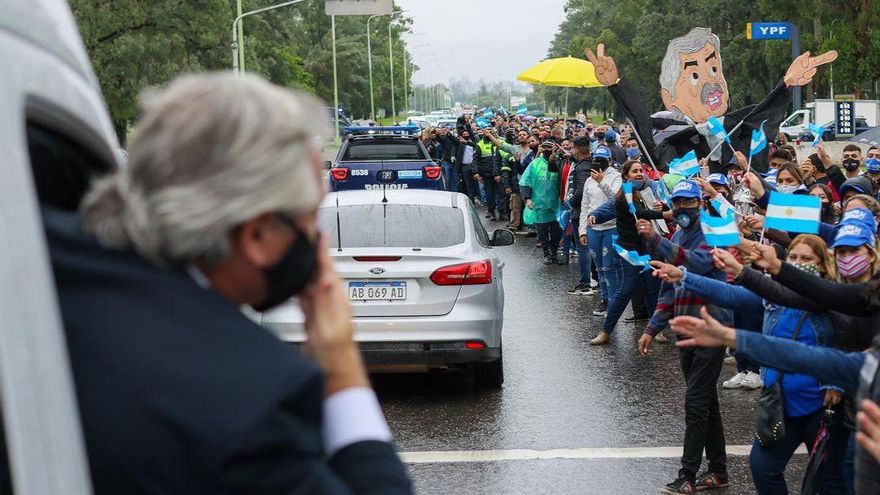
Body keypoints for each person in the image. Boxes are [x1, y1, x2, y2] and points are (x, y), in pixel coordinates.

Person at [52, 74, 412, 494]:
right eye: (310, 219)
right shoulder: (253, 395)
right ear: (256, 236)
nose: (319, 241)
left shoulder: (35, 251)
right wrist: (342, 369)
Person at [653, 236, 848, 494]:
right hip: (780, 404)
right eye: (793, 257)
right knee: (763, 469)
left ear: (822, 265)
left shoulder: (832, 298)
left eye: (807, 259)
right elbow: (730, 294)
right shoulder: (774, 296)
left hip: (820, 406)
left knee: (829, 481)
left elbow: (847, 343)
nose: (799, 263)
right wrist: (684, 276)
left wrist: (836, 383)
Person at [633, 180, 732, 494]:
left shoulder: (712, 232)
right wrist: (652, 328)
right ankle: (718, 471)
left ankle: (686, 475)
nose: (682, 208)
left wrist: (656, 241)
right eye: (677, 203)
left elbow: (697, 264)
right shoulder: (677, 235)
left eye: (688, 202)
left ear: (700, 203)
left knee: (696, 402)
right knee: (706, 402)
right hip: (684, 330)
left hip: (711, 328)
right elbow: (669, 289)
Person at [587, 160, 671, 344]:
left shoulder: (649, 189)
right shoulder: (624, 194)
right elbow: (634, 211)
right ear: (626, 176)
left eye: (641, 170)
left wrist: (662, 208)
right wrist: (595, 214)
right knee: (625, 290)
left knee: (652, 289)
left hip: (648, 248)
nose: (639, 173)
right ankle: (606, 331)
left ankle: (656, 330)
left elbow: (663, 204)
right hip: (629, 251)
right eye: (634, 171)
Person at [578, 146, 622, 310]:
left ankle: (613, 301)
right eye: (596, 159)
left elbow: (616, 200)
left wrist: (601, 182)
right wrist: (582, 231)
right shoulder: (589, 180)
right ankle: (605, 299)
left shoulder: (616, 177)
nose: (598, 162)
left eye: (602, 160)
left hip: (611, 227)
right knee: (599, 267)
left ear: (609, 161)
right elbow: (585, 207)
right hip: (593, 229)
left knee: (610, 266)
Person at [520, 141, 562, 264]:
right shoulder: (535, 164)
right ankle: (546, 253)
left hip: (557, 203)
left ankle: (554, 252)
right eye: (545, 147)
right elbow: (526, 182)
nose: (548, 149)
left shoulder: (560, 162)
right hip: (539, 203)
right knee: (542, 231)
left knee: (557, 231)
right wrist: (528, 198)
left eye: (550, 147)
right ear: (541, 149)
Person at [565, 136, 595, 290]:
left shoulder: (583, 167)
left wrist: (571, 202)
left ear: (576, 149)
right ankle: (594, 280)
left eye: (572, 148)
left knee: (583, 247)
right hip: (589, 210)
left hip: (581, 212)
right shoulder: (589, 163)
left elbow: (582, 189)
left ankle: (585, 283)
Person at [473, 130, 505, 220]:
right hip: (486, 174)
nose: (488, 134)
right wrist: (476, 172)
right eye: (486, 133)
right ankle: (492, 212)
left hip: (499, 173)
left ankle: (502, 212)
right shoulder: (480, 144)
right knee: (489, 195)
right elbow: (475, 159)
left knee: (501, 194)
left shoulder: (498, 142)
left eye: (490, 132)